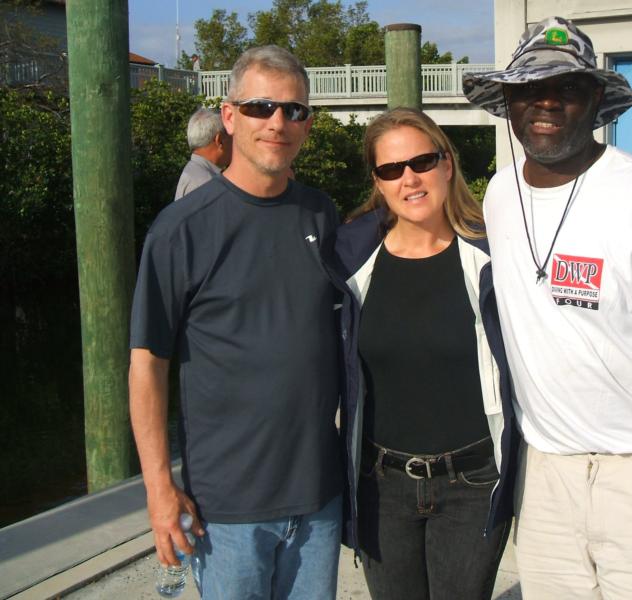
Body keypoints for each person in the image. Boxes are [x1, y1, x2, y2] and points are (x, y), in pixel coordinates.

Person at [463, 16, 632, 600]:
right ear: (508, 101)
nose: (547, 102)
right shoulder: (501, 194)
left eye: (568, 88)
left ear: (596, 101)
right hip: (547, 480)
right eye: (530, 88)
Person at [129, 45, 349, 600]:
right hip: (225, 511)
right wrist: (159, 487)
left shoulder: (322, 214)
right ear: (229, 117)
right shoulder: (180, 229)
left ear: (307, 124)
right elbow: (147, 364)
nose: (277, 122)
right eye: (260, 107)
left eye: (293, 110)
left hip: (318, 498)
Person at [334, 108, 519, 600]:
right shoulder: (350, 257)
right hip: (381, 485)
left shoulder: (496, 252)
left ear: (447, 163)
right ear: (377, 180)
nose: (409, 179)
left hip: (474, 484)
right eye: (391, 169)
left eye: (421, 161)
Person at [173, 108, 232, 200]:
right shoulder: (206, 183)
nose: (235, 143)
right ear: (220, 140)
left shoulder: (195, 172)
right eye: (231, 136)